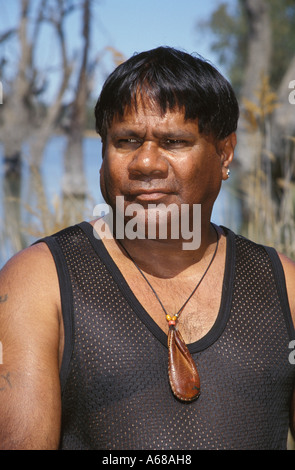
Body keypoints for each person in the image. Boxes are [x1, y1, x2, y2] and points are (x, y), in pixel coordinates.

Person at [0, 46, 294, 451]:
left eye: (174, 141)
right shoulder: (38, 282)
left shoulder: (282, 284)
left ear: (225, 154)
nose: (146, 163)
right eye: (126, 141)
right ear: (103, 157)